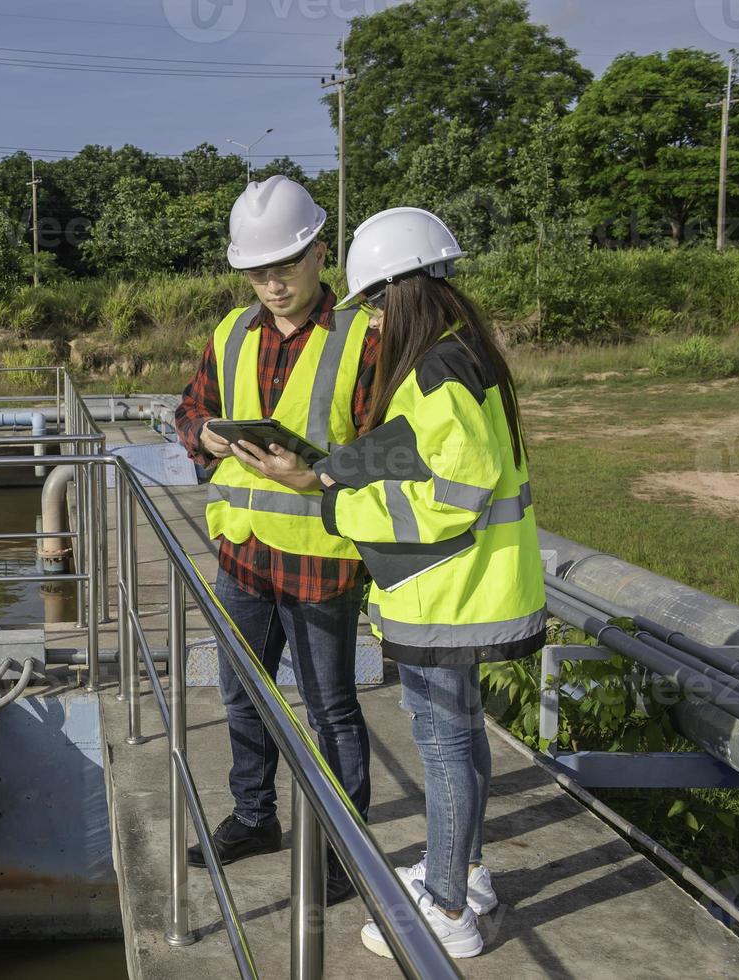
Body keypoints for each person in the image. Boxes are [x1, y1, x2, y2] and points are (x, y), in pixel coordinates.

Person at [251, 207, 547, 958]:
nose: (373, 324)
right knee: (460, 740)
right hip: (467, 589)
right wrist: (323, 467)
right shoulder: (458, 353)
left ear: (402, 293)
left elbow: (454, 490)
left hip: (447, 594)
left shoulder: (436, 368)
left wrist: (336, 502)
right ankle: (466, 872)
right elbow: (403, 447)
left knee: (443, 745)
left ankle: (446, 909)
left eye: (376, 306)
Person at [173, 175, 379, 903]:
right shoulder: (231, 334)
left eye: (284, 266)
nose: (270, 282)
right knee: (242, 696)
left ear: (319, 253)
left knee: (330, 709)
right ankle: (255, 817)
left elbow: (392, 448)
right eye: (256, 270)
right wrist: (203, 433)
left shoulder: (362, 337)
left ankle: (342, 847)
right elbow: (191, 409)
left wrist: (317, 474)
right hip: (242, 552)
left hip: (322, 559)